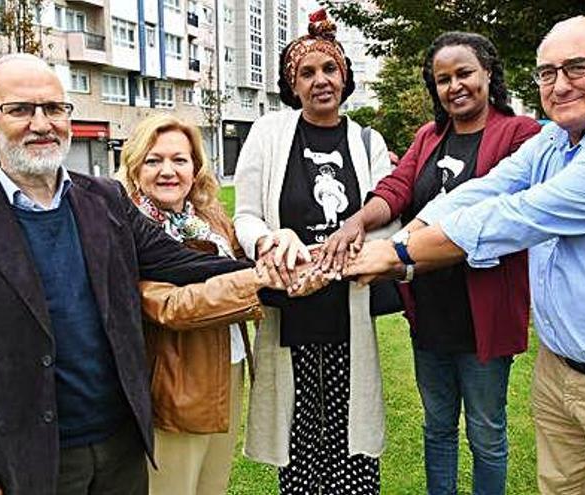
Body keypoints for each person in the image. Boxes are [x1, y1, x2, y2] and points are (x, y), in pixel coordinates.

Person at [346, 15, 585, 495]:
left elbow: (515, 217)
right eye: (547, 73)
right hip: (561, 369)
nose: (559, 86)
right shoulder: (556, 140)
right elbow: (484, 189)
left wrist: (394, 254)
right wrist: (400, 233)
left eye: (577, 67)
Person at [0, 54, 246, 495]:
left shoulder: (104, 199)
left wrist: (273, 270)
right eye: (20, 110)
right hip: (32, 460)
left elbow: (182, 264)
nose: (41, 123)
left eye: (53, 108)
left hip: (122, 447)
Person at [318, 32, 540, 495]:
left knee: (486, 432)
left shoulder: (519, 135)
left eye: (464, 74)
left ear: (488, 75)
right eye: (442, 79)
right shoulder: (429, 136)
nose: (454, 86)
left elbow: (495, 211)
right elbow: (397, 188)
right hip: (431, 311)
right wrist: (356, 222)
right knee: (437, 426)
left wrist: (398, 248)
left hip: (483, 311)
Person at [232, 9, 394, 495]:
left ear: (345, 78)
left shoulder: (368, 142)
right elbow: (245, 214)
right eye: (307, 73)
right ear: (292, 83)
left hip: (348, 306)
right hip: (291, 303)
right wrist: (267, 241)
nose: (320, 81)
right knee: (299, 426)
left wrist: (343, 260)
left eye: (330, 70)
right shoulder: (268, 134)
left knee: (351, 429)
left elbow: (386, 219)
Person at [113, 114, 284, 495]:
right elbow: (172, 307)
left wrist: (278, 243)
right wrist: (262, 282)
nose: (168, 171)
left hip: (229, 367)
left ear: (195, 167)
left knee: (213, 486)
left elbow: (244, 258)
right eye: (153, 160)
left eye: (180, 160)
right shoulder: (126, 230)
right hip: (175, 381)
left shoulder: (207, 218)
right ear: (135, 167)